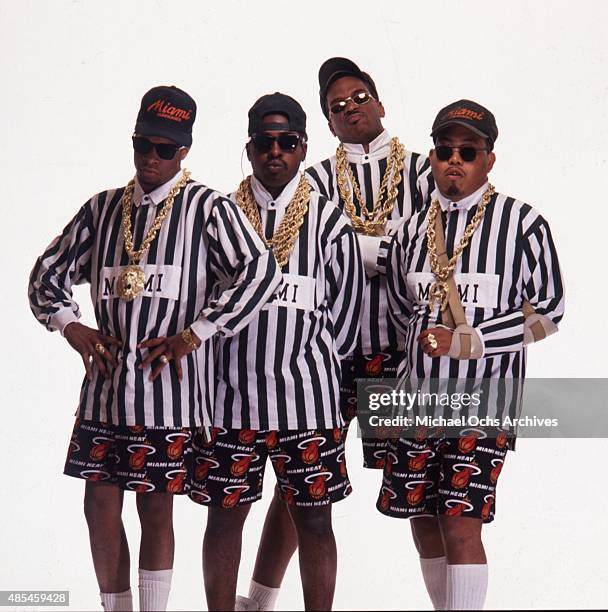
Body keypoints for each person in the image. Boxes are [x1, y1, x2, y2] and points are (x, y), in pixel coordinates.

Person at [28, 85, 280, 612]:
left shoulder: (207, 208)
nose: (151, 156)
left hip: (167, 394)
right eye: (143, 143)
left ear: (184, 150)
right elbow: (44, 276)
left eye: (165, 148)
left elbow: (261, 273)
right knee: (98, 503)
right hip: (105, 392)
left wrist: (197, 333)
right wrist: (72, 327)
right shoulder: (101, 210)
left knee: (154, 507)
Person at [240, 57, 434, 611]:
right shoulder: (313, 182)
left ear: (380, 101)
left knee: (418, 486)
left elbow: (441, 244)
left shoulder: (425, 171)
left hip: (402, 355)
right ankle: (258, 599)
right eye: (336, 106)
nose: (350, 108)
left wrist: (375, 250)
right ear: (324, 124)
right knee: (297, 485)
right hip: (324, 359)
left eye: (359, 96)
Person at [379, 99, 565, 610]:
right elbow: (401, 311)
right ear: (433, 157)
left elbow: (548, 312)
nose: (454, 160)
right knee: (422, 520)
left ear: (489, 159)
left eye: (468, 150)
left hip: (481, 402)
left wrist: (472, 340)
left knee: (461, 523)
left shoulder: (523, 223)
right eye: (444, 150)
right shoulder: (411, 232)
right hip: (416, 400)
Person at [189, 92, 364, 612]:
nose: (275, 152)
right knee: (224, 516)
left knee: (314, 519)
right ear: (249, 148)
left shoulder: (331, 223)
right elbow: (201, 303)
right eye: (264, 142)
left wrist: (308, 367)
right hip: (229, 400)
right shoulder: (218, 216)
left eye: (287, 142)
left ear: (303, 147)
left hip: (306, 402)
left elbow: (345, 320)